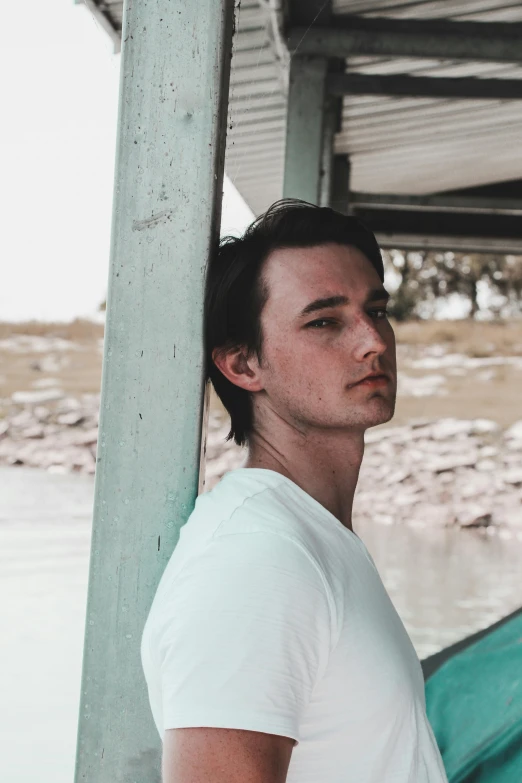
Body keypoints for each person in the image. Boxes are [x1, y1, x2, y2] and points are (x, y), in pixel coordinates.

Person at [141, 199, 448, 783]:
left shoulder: (307, 534)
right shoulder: (256, 560)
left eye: (376, 310)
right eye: (324, 322)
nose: (372, 341)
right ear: (242, 364)